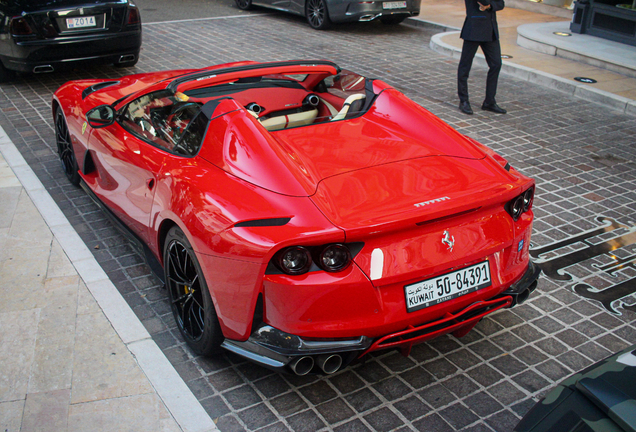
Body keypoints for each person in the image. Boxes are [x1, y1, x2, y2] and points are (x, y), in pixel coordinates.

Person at [457, 0, 507, 115]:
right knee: (465, 66)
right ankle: (464, 100)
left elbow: (501, 4)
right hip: (473, 28)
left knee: (496, 64)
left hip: (490, 30)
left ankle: (489, 102)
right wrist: (490, 4)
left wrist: (490, 5)